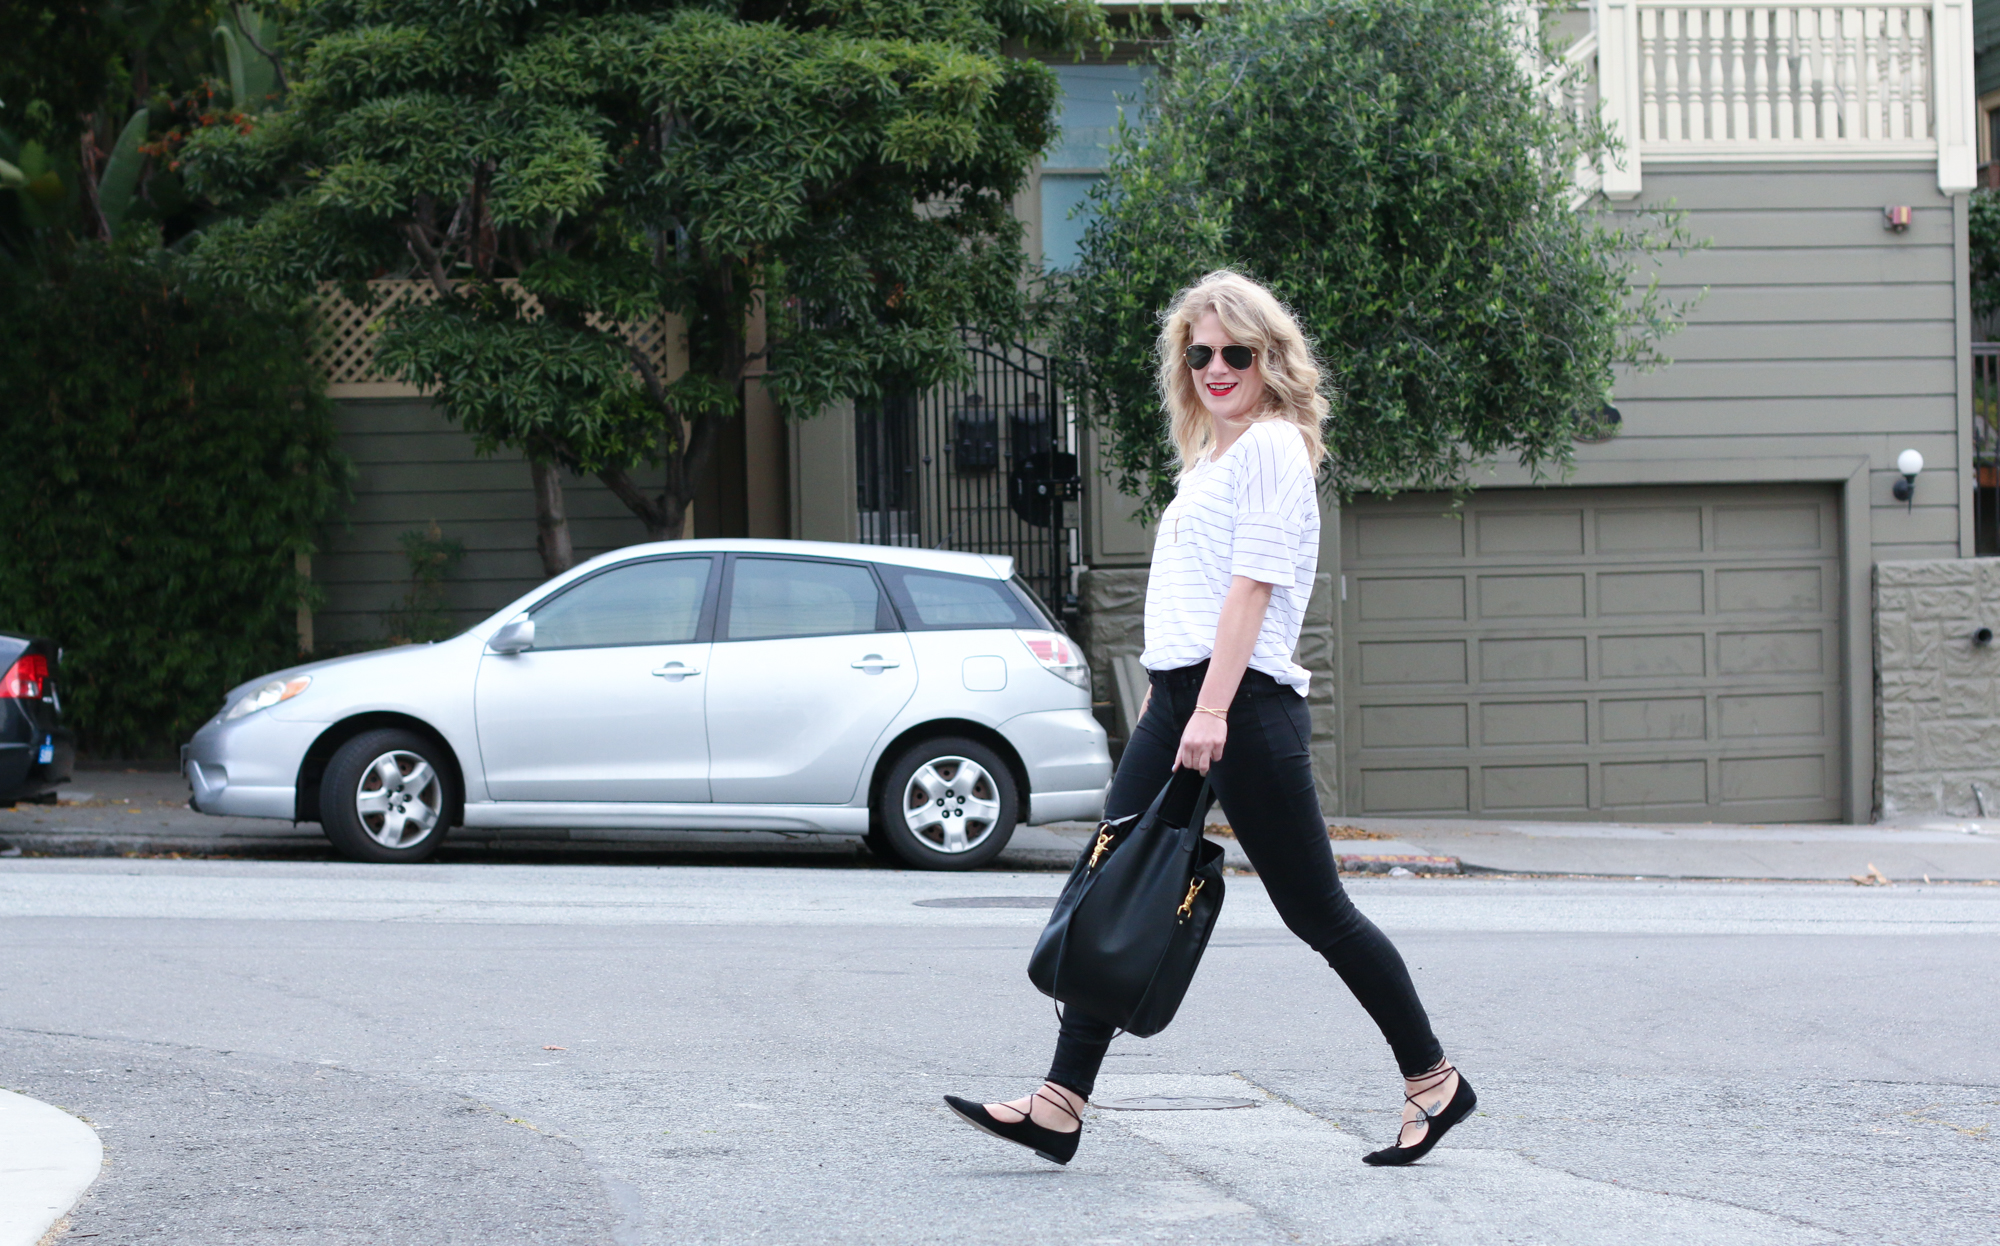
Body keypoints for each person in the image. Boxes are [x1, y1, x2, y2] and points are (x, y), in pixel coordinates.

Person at [945, 270, 1474, 1167]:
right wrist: (1166, 690)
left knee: (1317, 909)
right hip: (1184, 697)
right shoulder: (1211, 457)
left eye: (1238, 353)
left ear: (1273, 360)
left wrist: (1213, 705)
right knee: (1113, 885)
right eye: (1202, 353)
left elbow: (1252, 591)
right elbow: (1194, 595)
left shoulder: (1272, 446)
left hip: (1242, 706)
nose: (1218, 368)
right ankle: (1060, 1103)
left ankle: (1434, 1081)